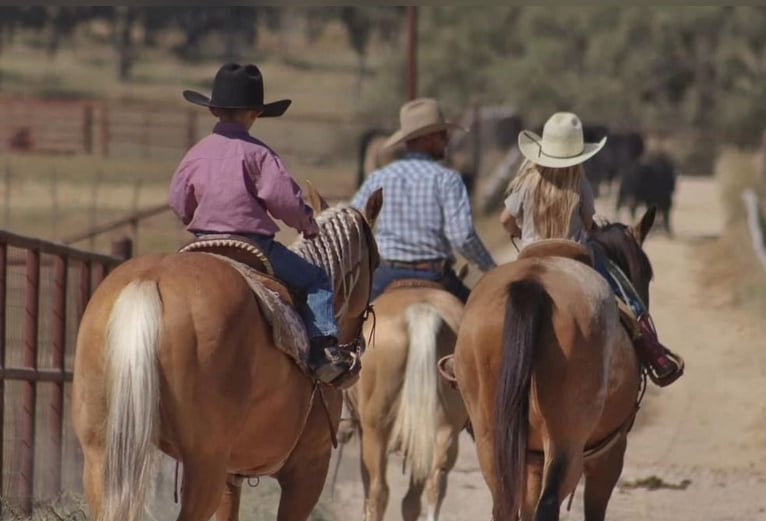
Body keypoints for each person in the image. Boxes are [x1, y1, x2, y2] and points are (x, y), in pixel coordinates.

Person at [168, 62, 355, 386]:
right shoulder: (260, 154)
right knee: (317, 281)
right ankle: (323, 350)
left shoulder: (195, 154)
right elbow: (282, 199)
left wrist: (194, 219)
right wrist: (306, 225)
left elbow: (177, 199)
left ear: (213, 110)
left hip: (202, 243)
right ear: (255, 114)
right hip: (252, 246)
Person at [500, 111, 683, 386]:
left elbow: (505, 221)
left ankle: (459, 355)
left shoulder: (527, 181)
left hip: (531, 254)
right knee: (624, 295)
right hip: (574, 256)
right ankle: (651, 349)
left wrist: (519, 232)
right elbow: (588, 224)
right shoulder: (579, 183)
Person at [350, 97, 496, 303]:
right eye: (442, 134)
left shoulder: (379, 177)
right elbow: (462, 237)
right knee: (480, 322)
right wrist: (490, 268)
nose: (447, 139)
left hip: (384, 276)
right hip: (435, 274)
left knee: (350, 330)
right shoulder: (448, 179)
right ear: (426, 138)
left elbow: (350, 223)